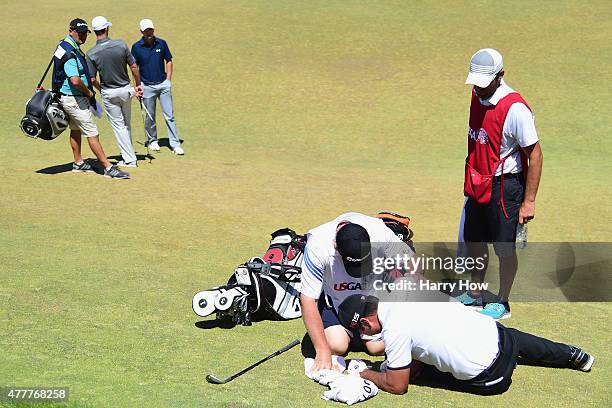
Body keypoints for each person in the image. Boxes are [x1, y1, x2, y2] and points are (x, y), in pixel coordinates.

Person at [338, 294, 594, 396]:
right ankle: (574, 355)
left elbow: (397, 386)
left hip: (492, 380)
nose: (365, 336)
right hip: (501, 339)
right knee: (510, 335)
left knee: (412, 374)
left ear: (364, 323)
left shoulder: (394, 329)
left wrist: (365, 372)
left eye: (362, 331)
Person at [458, 48, 544, 319]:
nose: (479, 90)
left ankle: (502, 302)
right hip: (477, 180)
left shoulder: (515, 109)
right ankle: (474, 293)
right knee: (474, 240)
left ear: (500, 76)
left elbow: (536, 154)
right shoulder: (477, 94)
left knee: (504, 247)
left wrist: (528, 202)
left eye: (484, 84)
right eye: (476, 83)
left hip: (505, 186)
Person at [300, 212, 415, 373]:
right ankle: (349, 333)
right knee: (336, 345)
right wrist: (322, 351)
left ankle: (361, 335)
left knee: (377, 348)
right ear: (335, 246)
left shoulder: (380, 233)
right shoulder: (318, 245)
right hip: (336, 300)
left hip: (373, 300)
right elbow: (307, 299)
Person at [52, 18, 129, 179]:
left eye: (84, 33)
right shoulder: (70, 53)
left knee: (75, 129)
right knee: (92, 132)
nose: (82, 36)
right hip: (74, 99)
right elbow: (74, 80)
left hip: (69, 97)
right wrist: (88, 92)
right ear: (70, 31)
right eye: (79, 33)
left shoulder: (66, 46)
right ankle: (108, 168)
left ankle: (78, 162)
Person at [87, 16, 144, 168]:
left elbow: (92, 79)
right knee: (126, 124)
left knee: (119, 126)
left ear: (95, 31)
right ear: (106, 29)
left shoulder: (91, 53)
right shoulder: (121, 45)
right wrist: (138, 86)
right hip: (126, 90)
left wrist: (102, 90)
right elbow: (133, 67)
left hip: (109, 93)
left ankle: (130, 159)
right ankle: (129, 155)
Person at [130, 18, 184, 155]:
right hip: (146, 86)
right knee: (150, 116)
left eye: (150, 29)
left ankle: (175, 143)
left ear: (153, 29)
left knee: (169, 115)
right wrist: (137, 86)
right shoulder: (136, 47)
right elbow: (134, 67)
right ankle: (152, 140)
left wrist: (168, 80)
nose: (149, 32)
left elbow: (169, 61)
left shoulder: (162, 43)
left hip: (163, 84)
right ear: (141, 31)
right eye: (146, 30)